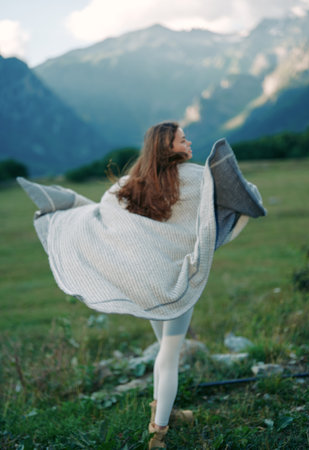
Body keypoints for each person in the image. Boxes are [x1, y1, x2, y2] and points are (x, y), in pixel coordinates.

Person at [17, 121, 266, 449]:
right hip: (175, 285)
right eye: (182, 139)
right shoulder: (194, 177)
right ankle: (159, 431)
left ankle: (162, 410)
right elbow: (240, 196)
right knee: (170, 355)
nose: (189, 142)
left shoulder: (128, 185)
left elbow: (107, 218)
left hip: (144, 285)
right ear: (168, 147)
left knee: (163, 349)